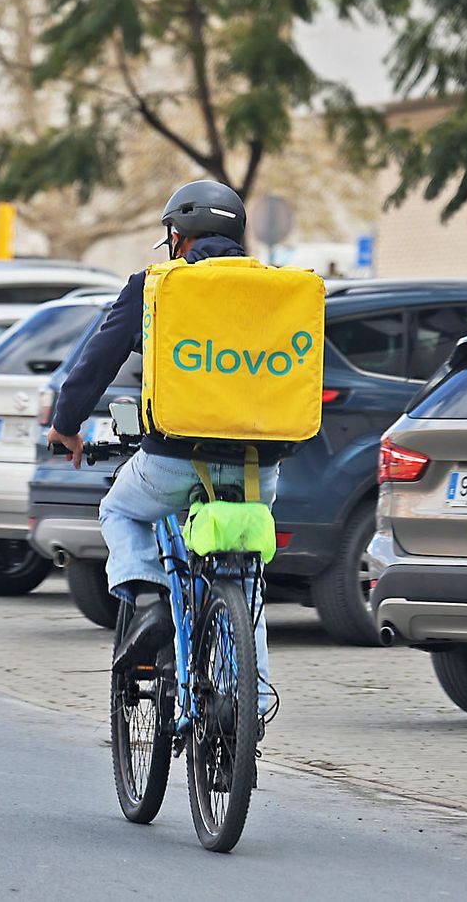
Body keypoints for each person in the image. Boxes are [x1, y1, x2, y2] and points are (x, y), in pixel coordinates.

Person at [46, 179, 284, 712]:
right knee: (245, 577)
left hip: (174, 459)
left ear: (179, 236)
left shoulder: (158, 284)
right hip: (259, 466)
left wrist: (67, 424)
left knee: (119, 511)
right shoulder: (277, 289)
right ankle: (248, 706)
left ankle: (149, 594)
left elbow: (97, 358)